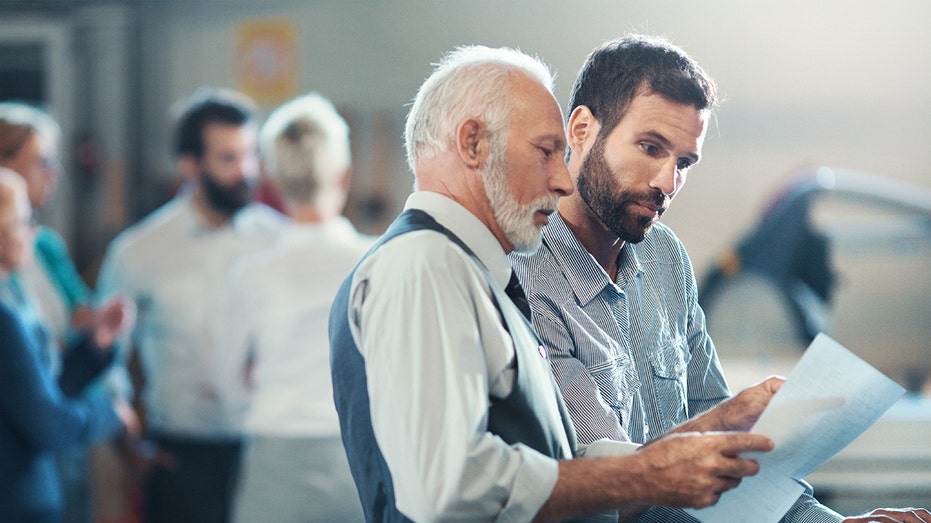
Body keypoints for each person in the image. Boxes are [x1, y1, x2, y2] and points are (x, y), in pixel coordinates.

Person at [329, 44, 779, 523]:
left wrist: (718, 427)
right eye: (546, 152)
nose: (563, 180)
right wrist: (649, 474)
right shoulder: (424, 263)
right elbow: (450, 486)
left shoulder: (473, 271)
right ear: (473, 143)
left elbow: (557, 461)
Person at [511, 34, 931, 522]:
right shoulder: (527, 277)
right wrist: (725, 419)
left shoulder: (666, 259)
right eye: (650, 148)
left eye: (684, 163)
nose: (667, 184)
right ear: (581, 129)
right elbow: (596, 499)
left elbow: (739, 470)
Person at [96, 87, 287, 523]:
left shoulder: (279, 241)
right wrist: (126, 443)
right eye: (228, 158)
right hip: (181, 457)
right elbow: (105, 357)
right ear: (190, 165)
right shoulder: (139, 252)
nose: (247, 171)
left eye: (250, 155)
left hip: (267, 452)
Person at [223, 93, 368, 522]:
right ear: (344, 174)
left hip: (274, 462)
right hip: (357, 459)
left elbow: (227, 383)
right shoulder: (378, 260)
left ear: (273, 178)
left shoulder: (250, 273)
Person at [0, 101, 136, 523]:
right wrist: (109, 413)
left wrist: (94, 346)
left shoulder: (44, 253)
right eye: (23, 223)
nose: (32, 232)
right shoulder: (4, 318)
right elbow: (47, 420)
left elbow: (41, 384)